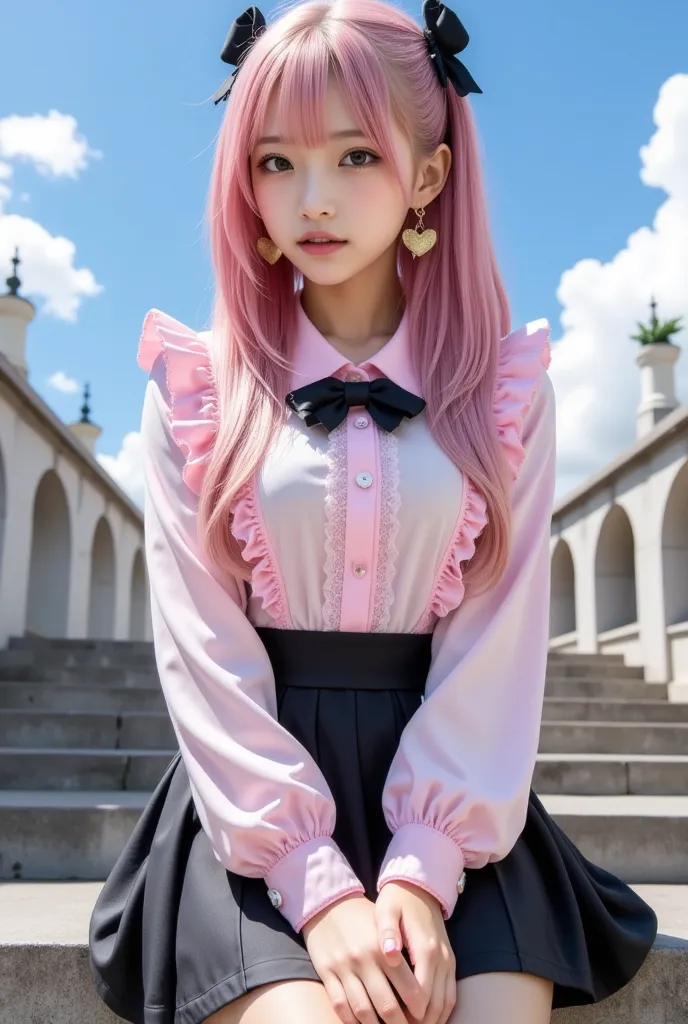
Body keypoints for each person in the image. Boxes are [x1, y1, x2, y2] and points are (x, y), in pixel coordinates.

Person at [88, 1, 658, 1022]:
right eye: (274, 162)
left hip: (451, 789)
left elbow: (495, 638)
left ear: (428, 176)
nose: (311, 199)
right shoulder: (195, 387)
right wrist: (313, 881)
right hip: (252, 800)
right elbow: (202, 649)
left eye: (355, 155)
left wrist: (418, 872)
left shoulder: (505, 391)